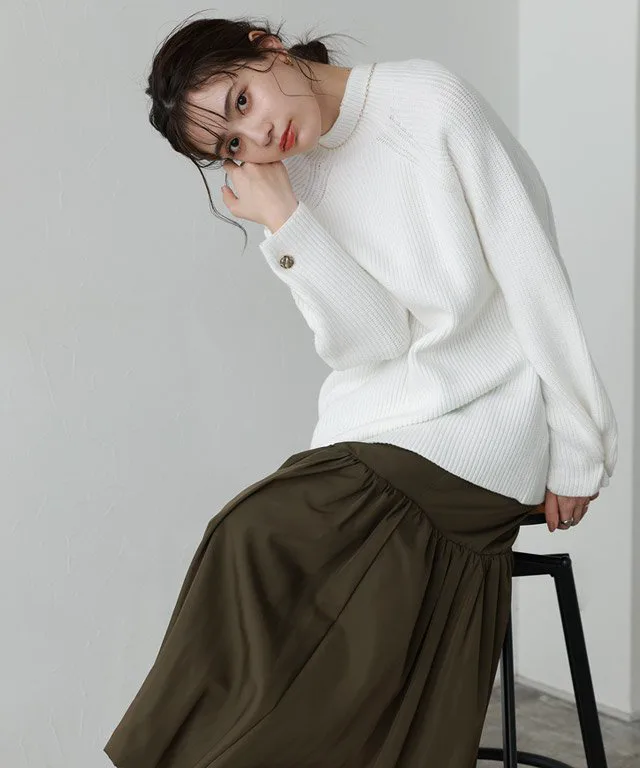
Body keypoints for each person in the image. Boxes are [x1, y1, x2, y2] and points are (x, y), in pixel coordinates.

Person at [103, 13, 618, 768]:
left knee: (255, 532)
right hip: (379, 432)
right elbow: (372, 341)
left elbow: (534, 274)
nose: (256, 138)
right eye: (231, 147)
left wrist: (580, 447)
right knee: (257, 553)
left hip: (482, 422)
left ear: (265, 48)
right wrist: (285, 222)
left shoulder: (429, 103)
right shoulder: (291, 181)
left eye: (241, 102)